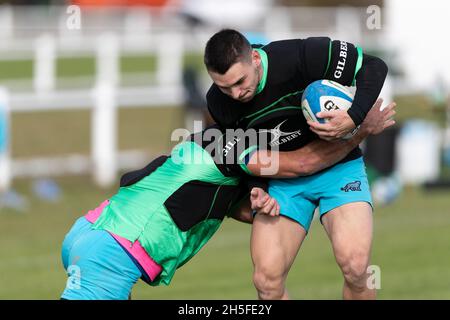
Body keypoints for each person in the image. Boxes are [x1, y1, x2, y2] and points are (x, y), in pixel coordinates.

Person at [59, 101, 393, 300]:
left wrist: (255, 202)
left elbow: (200, 200)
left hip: (88, 229)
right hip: (115, 250)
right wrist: (361, 131)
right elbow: (304, 163)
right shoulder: (229, 143)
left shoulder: (200, 151)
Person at [204, 29, 391, 299]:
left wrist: (354, 116)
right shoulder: (218, 103)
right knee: (266, 282)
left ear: (255, 58)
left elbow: (374, 66)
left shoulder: (301, 57)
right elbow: (245, 152)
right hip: (282, 182)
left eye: (240, 81)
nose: (235, 93)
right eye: (224, 87)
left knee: (355, 265)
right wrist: (255, 189)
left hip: (338, 168)